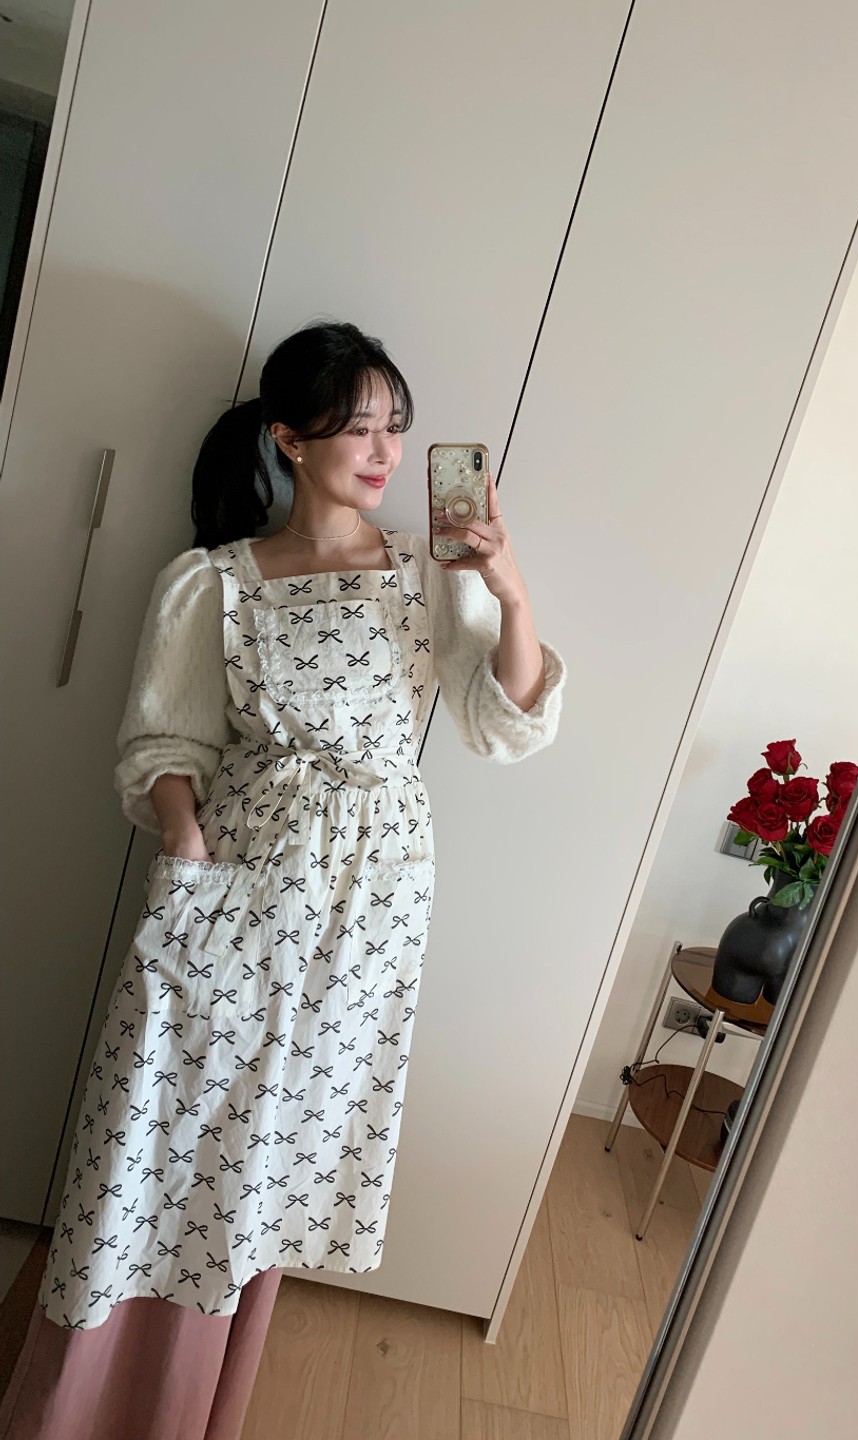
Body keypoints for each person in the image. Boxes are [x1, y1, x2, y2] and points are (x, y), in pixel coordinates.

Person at [0, 320, 566, 1440]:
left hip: (372, 905)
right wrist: (188, 849)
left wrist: (509, 590)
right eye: (358, 426)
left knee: (272, 1144)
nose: (385, 451)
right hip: (236, 881)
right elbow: (163, 746)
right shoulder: (210, 582)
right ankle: (77, 1403)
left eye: (396, 427)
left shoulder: (430, 572)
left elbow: (503, 725)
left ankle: (195, 1407)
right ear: (289, 440)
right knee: (160, 1122)